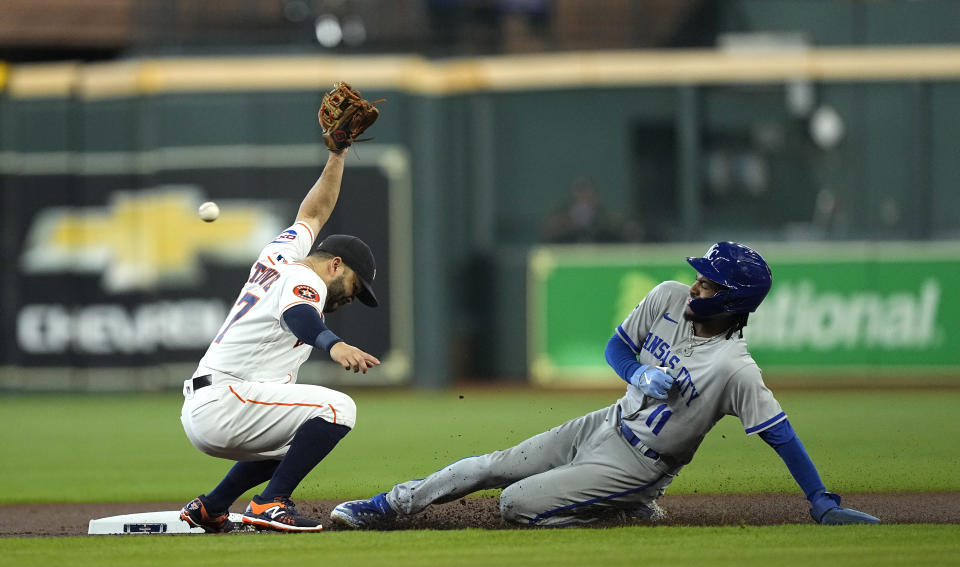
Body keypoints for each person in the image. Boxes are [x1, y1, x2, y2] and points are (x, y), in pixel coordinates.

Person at [331, 242, 880, 528]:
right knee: (489, 466)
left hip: (639, 465)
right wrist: (636, 372)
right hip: (607, 422)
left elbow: (780, 434)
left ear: (733, 300)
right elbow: (617, 348)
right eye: (699, 274)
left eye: (709, 283)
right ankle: (385, 506)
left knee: (516, 505)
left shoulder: (736, 370)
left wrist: (821, 502)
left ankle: (618, 507)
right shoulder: (669, 296)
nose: (696, 284)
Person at [179, 146, 381, 533]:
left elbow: (313, 213)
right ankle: (269, 503)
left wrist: (337, 155)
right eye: (356, 285)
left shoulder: (280, 254)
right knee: (338, 410)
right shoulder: (305, 279)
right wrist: (334, 345)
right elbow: (299, 317)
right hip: (226, 399)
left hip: (214, 403)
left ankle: (213, 505)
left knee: (304, 435)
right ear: (335, 265)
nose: (354, 296)